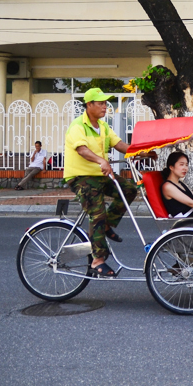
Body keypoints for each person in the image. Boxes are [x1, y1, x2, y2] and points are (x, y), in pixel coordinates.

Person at [63, 88, 154, 278]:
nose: (105, 106)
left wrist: (143, 153)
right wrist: (101, 161)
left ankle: (106, 225)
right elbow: (81, 149)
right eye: (101, 103)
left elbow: (121, 145)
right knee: (97, 212)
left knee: (129, 189)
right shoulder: (77, 126)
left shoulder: (103, 127)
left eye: (106, 103)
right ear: (89, 105)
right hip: (81, 177)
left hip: (100, 175)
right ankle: (98, 261)